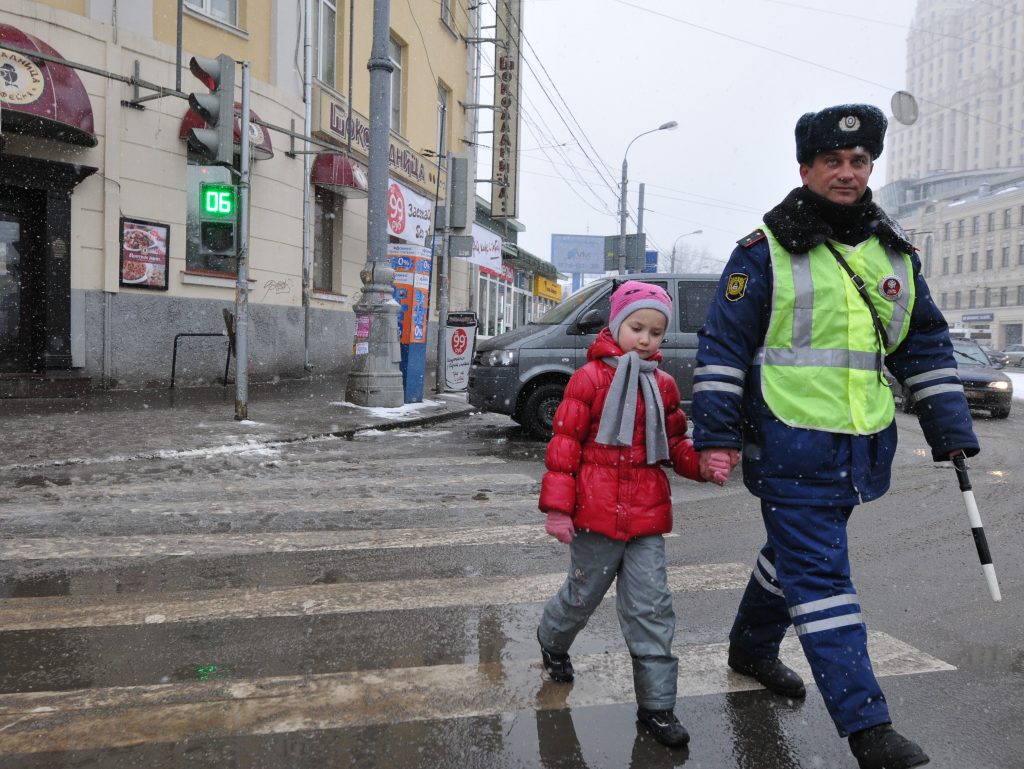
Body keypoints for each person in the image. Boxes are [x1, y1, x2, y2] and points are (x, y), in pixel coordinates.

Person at [690, 103, 979, 769]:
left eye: (859, 161)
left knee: (792, 556)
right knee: (822, 579)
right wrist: (715, 434)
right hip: (788, 443)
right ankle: (867, 727)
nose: (848, 172)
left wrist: (950, 427)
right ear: (806, 168)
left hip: (861, 445)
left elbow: (924, 342)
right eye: (833, 161)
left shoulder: (893, 254)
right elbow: (723, 347)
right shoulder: (764, 250)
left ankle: (750, 647)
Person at [535, 280, 732, 749]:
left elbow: (675, 445)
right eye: (637, 328)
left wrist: (703, 463)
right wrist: (559, 509)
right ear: (617, 326)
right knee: (581, 598)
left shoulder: (662, 385)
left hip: (645, 517)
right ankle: (552, 639)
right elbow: (564, 449)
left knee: (651, 610)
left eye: (656, 332)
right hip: (595, 515)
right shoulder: (589, 380)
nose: (646, 339)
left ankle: (657, 708)